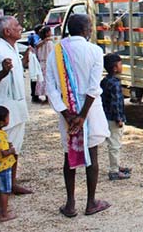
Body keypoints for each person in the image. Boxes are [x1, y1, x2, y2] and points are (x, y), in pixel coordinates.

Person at [46, 14, 111, 217]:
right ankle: (91, 202)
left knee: (69, 157)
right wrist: (82, 116)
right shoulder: (95, 51)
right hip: (89, 112)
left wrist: (67, 114)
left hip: (68, 113)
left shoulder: (55, 52)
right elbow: (94, 88)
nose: (91, 30)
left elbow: (51, 88)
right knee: (92, 155)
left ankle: (70, 204)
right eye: (90, 27)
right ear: (85, 30)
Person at [0, 16, 33, 206]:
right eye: (16, 26)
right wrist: (3, 71)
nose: (21, 28)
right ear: (7, 32)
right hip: (1, 112)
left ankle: (11, 184)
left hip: (16, 109)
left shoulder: (13, 48)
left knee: (15, 148)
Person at [101, 53, 131, 181]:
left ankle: (117, 165)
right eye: (120, 64)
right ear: (114, 67)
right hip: (113, 118)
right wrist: (119, 118)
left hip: (106, 116)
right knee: (115, 144)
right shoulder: (115, 83)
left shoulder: (105, 81)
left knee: (114, 143)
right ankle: (114, 170)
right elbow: (116, 103)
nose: (122, 66)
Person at [35, 26, 54, 100]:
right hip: (47, 63)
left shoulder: (39, 42)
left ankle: (42, 94)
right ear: (47, 33)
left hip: (41, 63)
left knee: (42, 79)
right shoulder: (49, 42)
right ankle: (47, 95)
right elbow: (51, 53)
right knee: (48, 79)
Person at [28, 24, 43, 103]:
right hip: (35, 59)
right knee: (35, 78)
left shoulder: (35, 36)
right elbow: (37, 44)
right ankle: (34, 95)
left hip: (36, 58)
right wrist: (45, 40)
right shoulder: (36, 37)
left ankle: (35, 95)